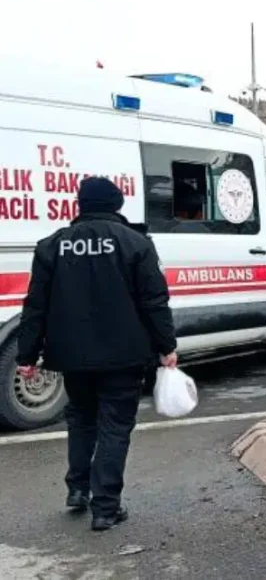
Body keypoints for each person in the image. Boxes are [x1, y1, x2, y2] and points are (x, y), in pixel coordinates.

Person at [16, 177, 177, 532]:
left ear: (81, 205)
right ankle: (106, 507)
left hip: (71, 356)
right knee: (115, 426)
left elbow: (35, 306)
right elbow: (154, 301)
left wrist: (26, 355)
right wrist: (166, 347)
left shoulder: (51, 246)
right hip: (125, 354)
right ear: (117, 204)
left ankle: (77, 490)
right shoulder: (136, 243)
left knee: (82, 419)